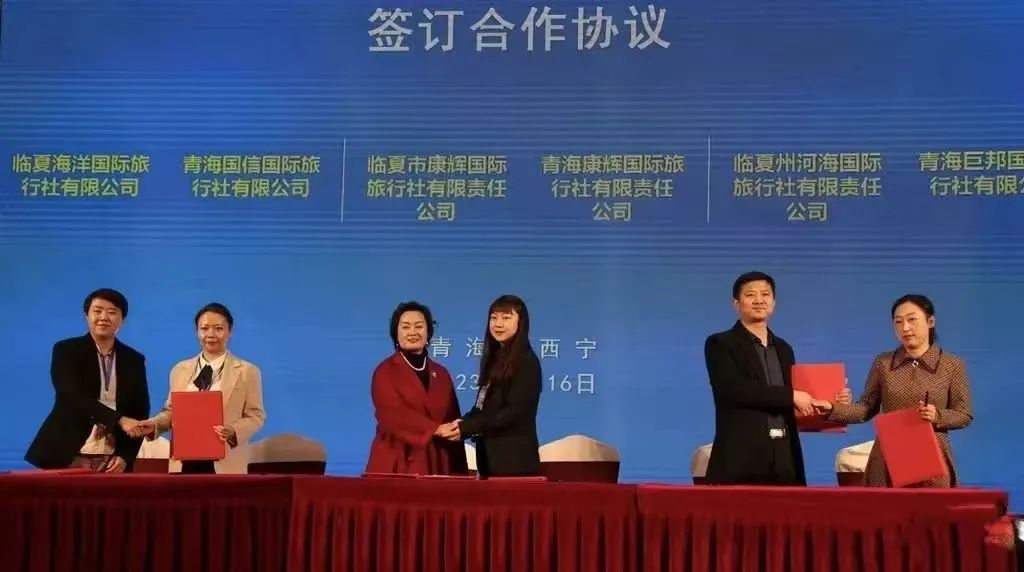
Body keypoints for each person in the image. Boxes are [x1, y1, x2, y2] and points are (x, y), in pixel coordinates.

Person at [814, 294, 973, 487]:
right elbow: (865, 408)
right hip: (888, 456)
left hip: (933, 457)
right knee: (886, 505)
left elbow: (963, 414)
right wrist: (832, 408)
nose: (905, 328)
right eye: (898, 322)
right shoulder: (883, 362)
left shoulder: (952, 365)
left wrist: (937, 415)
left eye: (912, 319)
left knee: (931, 506)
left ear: (930, 321)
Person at [703, 271, 814, 485]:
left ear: (773, 303)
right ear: (736, 303)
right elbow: (734, 390)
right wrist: (792, 396)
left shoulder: (784, 348)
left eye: (765, 294)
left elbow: (795, 398)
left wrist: (830, 402)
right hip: (742, 456)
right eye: (750, 294)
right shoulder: (720, 344)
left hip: (786, 456)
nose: (759, 300)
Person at [25, 288, 150, 472]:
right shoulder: (67, 350)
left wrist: (126, 456)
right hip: (68, 453)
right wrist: (119, 420)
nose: (104, 317)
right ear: (86, 315)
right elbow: (70, 396)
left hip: (112, 459)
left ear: (122, 320)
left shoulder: (134, 359)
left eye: (112, 312)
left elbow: (140, 410)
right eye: (97, 311)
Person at [137, 303, 265, 474]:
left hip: (225, 461)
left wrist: (234, 430)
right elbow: (171, 412)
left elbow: (255, 415)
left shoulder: (247, 371)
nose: (210, 334)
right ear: (197, 331)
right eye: (204, 328)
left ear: (230, 332)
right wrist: (154, 425)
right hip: (184, 460)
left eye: (218, 328)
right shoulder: (179, 370)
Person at [365, 301, 467, 475]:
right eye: (405, 327)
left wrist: (459, 471)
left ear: (428, 333)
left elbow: (452, 418)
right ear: (396, 333)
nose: (412, 332)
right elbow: (391, 414)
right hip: (396, 462)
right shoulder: (385, 370)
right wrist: (435, 429)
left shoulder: (441, 373)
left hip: (437, 462)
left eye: (419, 326)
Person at [453, 294, 542, 477]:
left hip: (514, 464)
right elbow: (481, 407)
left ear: (521, 322)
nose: (498, 324)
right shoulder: (494, 360)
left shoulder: (527, 362)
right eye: (494, 318)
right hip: (490, 462)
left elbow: (513, 413)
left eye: (506, 317)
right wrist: (461, 423)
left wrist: (469, 427)